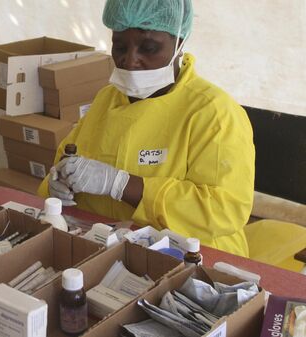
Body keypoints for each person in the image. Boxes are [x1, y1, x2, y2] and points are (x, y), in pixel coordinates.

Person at [39, 0, 255, 257]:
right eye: (119, 47)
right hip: (106, 247)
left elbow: (224, 210)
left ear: (179, 43)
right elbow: (67, 158)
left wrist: (121, 184)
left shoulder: (214, 113)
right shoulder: (107, 99)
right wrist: (58, 184)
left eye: (149, 48)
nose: (130, 61)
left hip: (192, 260)